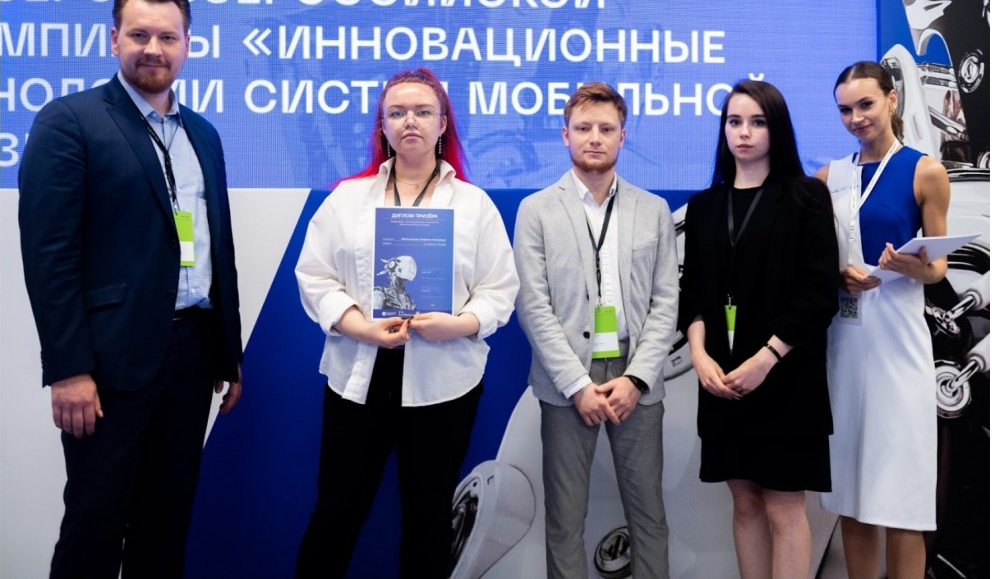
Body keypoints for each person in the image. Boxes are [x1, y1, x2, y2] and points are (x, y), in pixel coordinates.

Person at [17, 0, 244, 579]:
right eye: (139, 35)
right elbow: (49, 255)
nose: (153, 49)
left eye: (167, 37)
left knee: (166, 525)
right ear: (114, 39)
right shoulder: (69, 121)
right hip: (107, 363)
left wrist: (228, 354)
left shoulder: (203, 135)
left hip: (192, 355)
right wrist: (68, 367)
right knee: (94, 524)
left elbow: (216, 247)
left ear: (187, 44)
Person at [293, 67, 519, 578]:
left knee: (429, 520)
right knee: (335, 513)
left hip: (444, 382)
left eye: (422, 111)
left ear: (443, 124)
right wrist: (359, 326)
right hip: (359, 375)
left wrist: (459, 324)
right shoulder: (347, 199)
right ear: (382, 125)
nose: (409, 121)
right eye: (396, 112)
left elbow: (500, 289)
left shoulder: (474, 205)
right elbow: (314, 276)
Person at [514, 82, 679, 579]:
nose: (595, 138)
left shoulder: (652, 210)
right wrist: (576, 385)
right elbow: (533, 306)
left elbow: (666, 302)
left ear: (622, 137)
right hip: (566, 379)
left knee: (649, 515)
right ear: (565, 134)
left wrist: (638, 378)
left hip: (635, 375)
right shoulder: (537, 210)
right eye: (583, 128)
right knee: (565, 520)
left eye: (606, 129)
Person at [678, 80, 838, 579]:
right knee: (745, 503)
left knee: (784, 509)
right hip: (723, 381)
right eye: (734, 122)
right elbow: (693, 295)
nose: (744, 132)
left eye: (757, 122)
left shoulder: (807, 196)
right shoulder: (705, 206)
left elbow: (819, 293)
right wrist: (700, 357)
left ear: (777, 129)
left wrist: (766, 359)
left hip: (785, 376)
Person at [818, 61, 950, 579]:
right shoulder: (828, 177)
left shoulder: (925, 171)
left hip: (899, 347)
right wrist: (835, 274)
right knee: (852, 497)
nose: (856, 118)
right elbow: (813, 260)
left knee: (902, 502)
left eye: (865, 104)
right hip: (845, 347)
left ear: (892, 100)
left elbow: (937, 267)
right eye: (845, 109)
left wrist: (910, 267)